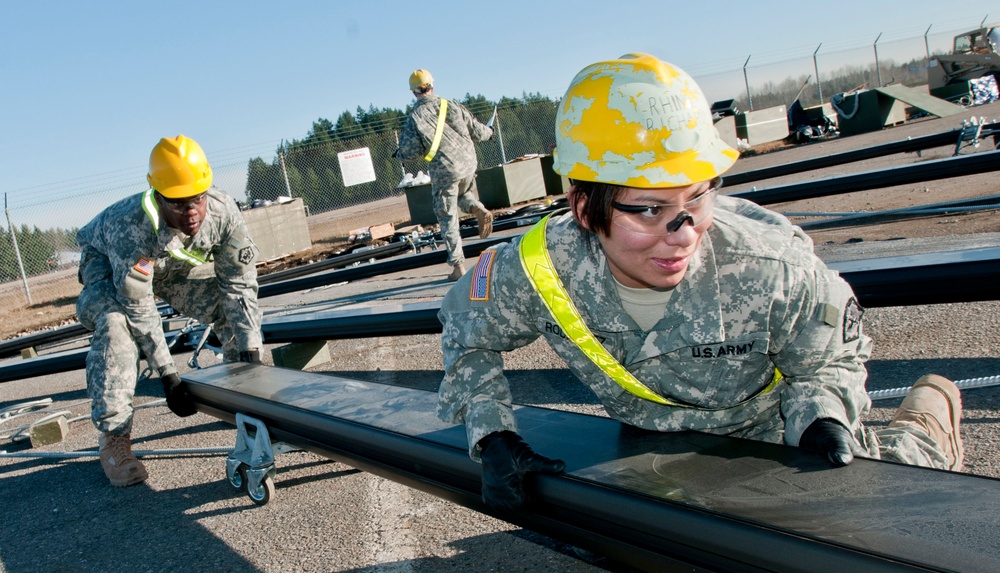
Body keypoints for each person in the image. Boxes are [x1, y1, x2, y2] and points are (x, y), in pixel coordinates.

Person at [436, 53, 964, 513]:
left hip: (769, 431)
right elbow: (466, 329)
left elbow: (827, 360)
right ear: (583, 207)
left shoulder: (772, 264)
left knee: (873, 509)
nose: (682, 233)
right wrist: (493, 430)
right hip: (652, 441)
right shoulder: (537, 267)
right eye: (649, 210)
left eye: (697, 197)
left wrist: (818, 418)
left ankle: (927, 421)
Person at [76, 135, 263, 487]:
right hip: (111, 266)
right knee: (117, 327)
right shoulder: (130, 227)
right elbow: (139, 305)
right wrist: (168, 375)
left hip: (169, 264)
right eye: (178, 203)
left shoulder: (223, 212)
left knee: (232, 313)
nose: (190, 211)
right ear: (158, 196)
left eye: (197, 199)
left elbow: (239, 287)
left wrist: (251, 355)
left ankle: (248, 403)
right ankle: (115, 439)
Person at [398, 68, 495, 281]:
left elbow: (409, 152)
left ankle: (458, 267)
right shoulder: (451, 104)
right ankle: (478, 209)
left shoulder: (416, 117)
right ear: (432, 86)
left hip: (444, 170)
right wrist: (491, 133)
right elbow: (478, 131)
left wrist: (399, 154)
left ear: (414, 92)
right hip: (468, 163)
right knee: (463, 195)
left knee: (447, 215)